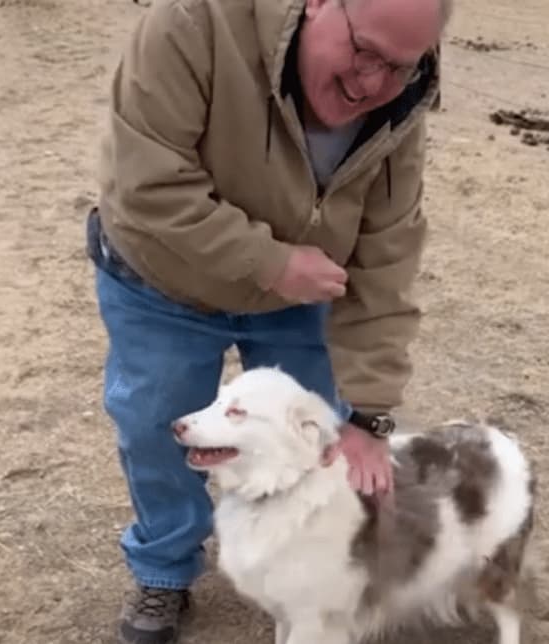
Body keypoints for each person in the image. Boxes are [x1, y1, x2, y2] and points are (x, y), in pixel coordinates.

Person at [86, 0, 452, 641]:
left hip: (297, 293)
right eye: (363, 50)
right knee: (157, 427)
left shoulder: (403, 102)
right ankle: (164, 570)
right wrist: (270, 260)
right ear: (315, 4)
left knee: (312, 437)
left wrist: (369, 414)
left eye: (399, 65)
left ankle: (302, 566)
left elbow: (386, 256)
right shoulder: (190, 26)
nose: (373, 83)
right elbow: (145, 183)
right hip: (162, 277)